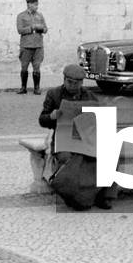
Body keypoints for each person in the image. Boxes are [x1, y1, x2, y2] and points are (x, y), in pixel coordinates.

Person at [38, 64, 117, 210]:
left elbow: (98, 121)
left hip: (85, 138)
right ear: (64, 80)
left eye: (77, 83)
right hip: (63, 139)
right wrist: (51, 116)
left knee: (106, 155)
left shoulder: (89, 96)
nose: (73, 86)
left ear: (82, 82)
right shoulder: (54, 94)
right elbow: (42, 120)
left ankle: (101, 196)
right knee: (67, 158)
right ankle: (74, 196)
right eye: (70, 82)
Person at [16, 0, 47, 95]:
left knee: (37, 67)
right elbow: (19, 30)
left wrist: (40, 28)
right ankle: (23, 87)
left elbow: (45, 29)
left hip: (38, 46)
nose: (37, 6)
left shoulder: (40, 15)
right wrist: (31, 28)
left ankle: (36, 88)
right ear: (29, 4)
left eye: (37, 4)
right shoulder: (21, 16)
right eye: (35, 4)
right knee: (24, 67)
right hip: (26, 46)